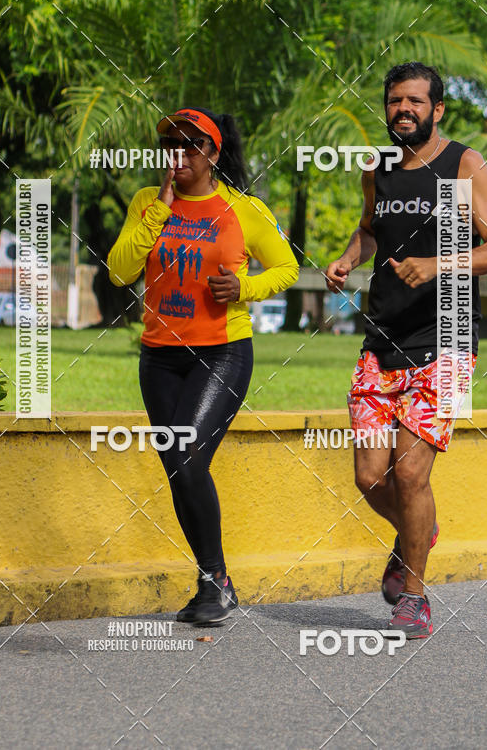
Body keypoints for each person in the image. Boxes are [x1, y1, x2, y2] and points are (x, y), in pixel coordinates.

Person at [326, 62, 487, 638]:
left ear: (437, 110)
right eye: (393, 101)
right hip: (382, 337)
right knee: (368, 476)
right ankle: (418, 531)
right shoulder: (377, 168)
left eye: (414, 101)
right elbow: (370, 228)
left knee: (410, 479)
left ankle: (414, 595)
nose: (402, 110)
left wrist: (437, 264)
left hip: (449, 337)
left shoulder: (463, 164)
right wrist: (347, 259)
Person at [108, 107, 298, 626]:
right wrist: (160, 212)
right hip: (159, 359)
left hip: (222, 353)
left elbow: (287, 266)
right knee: (179, 469)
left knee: (188, 455)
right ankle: (214, 584)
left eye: (192, 145)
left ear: (213, 154)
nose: (180, 154)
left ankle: (214, 583)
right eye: (171, 144)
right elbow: (120, 270)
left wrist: (246, 287)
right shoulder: (149, 203)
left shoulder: (243, 209)